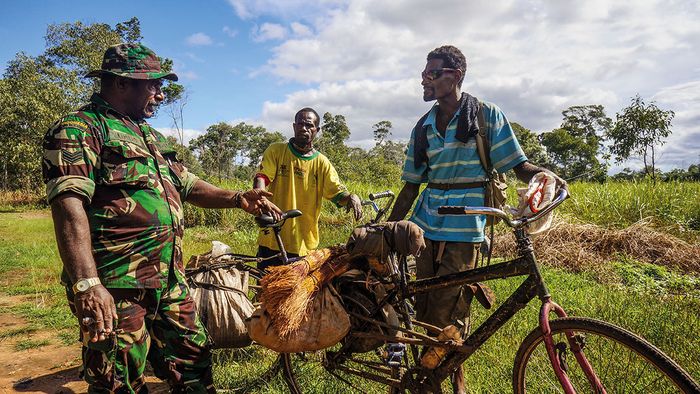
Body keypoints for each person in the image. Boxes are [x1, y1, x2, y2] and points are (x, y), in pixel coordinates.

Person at [43, 43, 281, 393]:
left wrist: (238, 198)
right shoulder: (80, 129)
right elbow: (68, 207)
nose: (160, 93)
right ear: (122, 83)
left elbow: (188, 184)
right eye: (152, 84)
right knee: (117, 379)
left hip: (170, 279)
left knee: (195, 364)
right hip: (117, 283)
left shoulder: (150, 137)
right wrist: (87, 285)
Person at [387, 45, 566, 393]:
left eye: (433, 74)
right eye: (424, 73)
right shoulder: (422, 128)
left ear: (454, 76)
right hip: (425, 228)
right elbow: (410, 188)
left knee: (450, 309)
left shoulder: (485, 116)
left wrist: (544, 174)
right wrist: (389, 229)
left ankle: (451, 378)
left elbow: (518, 165)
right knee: (423, 307)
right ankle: (431, 379)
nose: (424, 79)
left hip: (466, 228)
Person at [253, 107, 362, 269]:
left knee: (297, 291)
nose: (304, 128)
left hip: (303, 242)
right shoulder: (276, 151)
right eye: (300, 124)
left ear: (316, 130)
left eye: (309, 125)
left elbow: (337, 194)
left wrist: (352, 197)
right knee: (264, 287)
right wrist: (260, 196)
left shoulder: (322, 163)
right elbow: (262, 177)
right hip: (272, 238)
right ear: (294, 126)